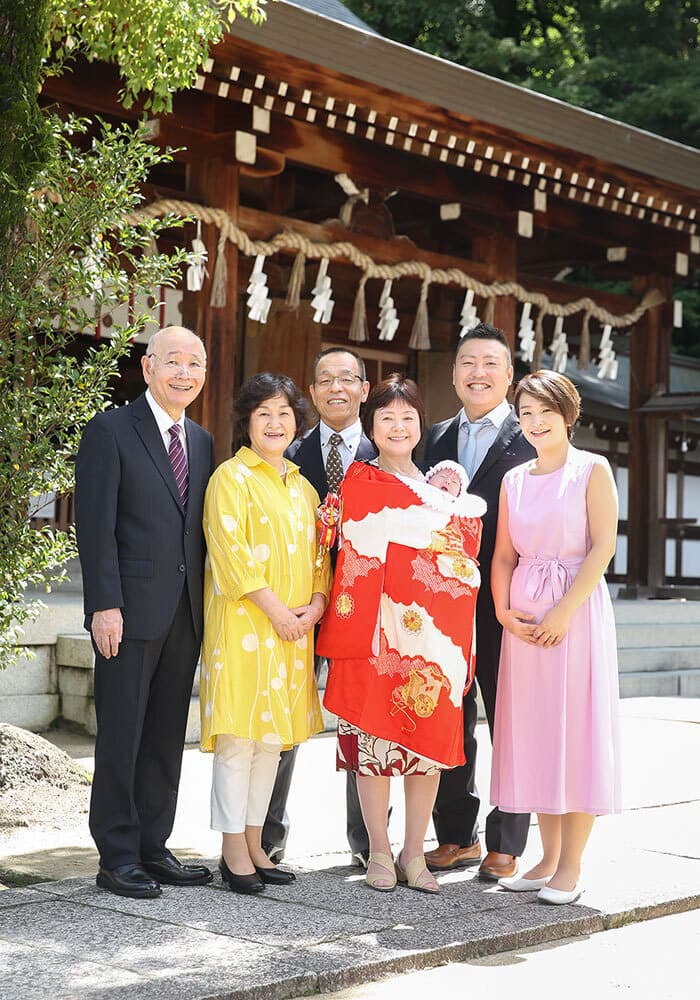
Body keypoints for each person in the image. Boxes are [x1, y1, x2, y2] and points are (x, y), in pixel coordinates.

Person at [317, 375, 485, 894]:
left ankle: (415, 853)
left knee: (426, 747)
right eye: (387, 417)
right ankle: (379, 852)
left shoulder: (442, 492)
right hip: (372, 632)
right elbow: (348, 541)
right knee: (374, 747)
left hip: (430, 637)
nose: (397, 426)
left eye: (407, 417)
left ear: (419, 427)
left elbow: (462, 557)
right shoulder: (360, 481)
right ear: (373, 425)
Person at [75, 325, 215, 899]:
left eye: (195, 363)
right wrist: (103, 604)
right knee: (122, 733)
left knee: (163, 735)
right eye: (174, 361)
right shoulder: (111, 430)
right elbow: (96, 526)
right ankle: (117, 854)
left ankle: (154, 846)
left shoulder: (203, 441)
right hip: (127, 611)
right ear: (149, 366)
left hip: (184, 612)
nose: (185, 372)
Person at [491, 370, 621, 904]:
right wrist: (502, 611)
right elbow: (503, 554)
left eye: (546, 411)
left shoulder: (593, 469)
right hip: (522, 624)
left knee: (576, 733)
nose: (535, 422)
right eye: (525, 413)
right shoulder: (513, 479)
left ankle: (571, 865)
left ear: (568, 415)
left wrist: (565, 611)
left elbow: (603, 547)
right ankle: (544, 858)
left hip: (576, 616)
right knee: (540, 735)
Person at [200, 373, 330, 895]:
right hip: (247, 626)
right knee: (240, 738)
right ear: (247, 423)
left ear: (297, 421)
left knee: (271, 743)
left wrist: (315, 607)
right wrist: (278, 613)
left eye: (284, 413)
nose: (275, 423)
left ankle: (256, 843)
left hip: (295, 631)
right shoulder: (230, 478)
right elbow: (229, 557)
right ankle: (232, 849)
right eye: (264, 414)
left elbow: (322, 557)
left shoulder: (302, 487)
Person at [424, 322, 536, 881]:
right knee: (449, 716)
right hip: (443, 603)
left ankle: (507, 839)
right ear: (453, 373)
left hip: (505, 602)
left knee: (508, 717)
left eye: (491, 363)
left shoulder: (529, 436)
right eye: (468, 362)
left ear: (509, 376)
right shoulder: (433, 438)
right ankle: (453, 834)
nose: (478, 373)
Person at [262, 347, 376, 868]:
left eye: (347, 379)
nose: (336, 388)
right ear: (311, 392)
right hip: (299, 606)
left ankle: (368, 839)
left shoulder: (388, 455)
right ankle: (267, 833)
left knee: (362, 720)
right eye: (325, 379)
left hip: (365, 608)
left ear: (363, 390)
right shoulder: (288, 454)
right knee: (283, 717)